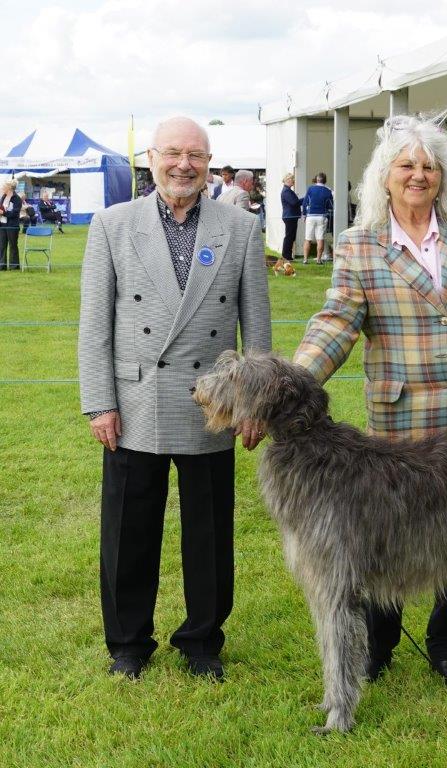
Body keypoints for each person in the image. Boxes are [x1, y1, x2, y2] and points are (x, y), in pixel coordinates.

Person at [293, 112, 447, 696]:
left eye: (429, 166)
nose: (418, 175)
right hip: (403, 416)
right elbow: (337, 322)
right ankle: (379, 646)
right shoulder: (360, 245)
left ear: (443, 176)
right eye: (406, 165)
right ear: (384, 176)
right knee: (387, 533)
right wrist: (295, 380)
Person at [78, 116, 271, 681]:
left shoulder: (239, 228)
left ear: (210, 163)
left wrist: (253, 403)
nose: (184, 165)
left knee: (210, 533)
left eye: (197, 155)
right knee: (128, 528)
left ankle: (202, 641)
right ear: (153, 160)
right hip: (136, 399)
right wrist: (99, 402)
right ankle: (128, 644)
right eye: (173, 154)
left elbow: (254, 330)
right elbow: (95, 326)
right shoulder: (113, 225)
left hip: (211, 403)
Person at [302, 171, 333, 264]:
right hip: (322, 217)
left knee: (308, 238)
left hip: (310, 216)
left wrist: (304, 215)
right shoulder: (328, 191)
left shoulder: (310, 189)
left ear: (316, 180)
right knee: (320, 239)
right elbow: (330, 206)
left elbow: (304, 203)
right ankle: (319, 260)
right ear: (325, 181)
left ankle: (305, 259)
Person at [0, 180, 22, 270]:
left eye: (4, 186)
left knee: (13, 246)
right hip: (2, 224)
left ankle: (14, 266)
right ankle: (2, 265)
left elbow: (15, 213)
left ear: (9, 187)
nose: (2, 188)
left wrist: (3, 213)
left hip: (12, 225)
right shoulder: (3, 197)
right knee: (2, 246)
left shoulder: (17, 198)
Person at [280, 173, 302, 261]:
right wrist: (305, 199)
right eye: (292, 179)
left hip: (291, 216)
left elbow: (295, 202)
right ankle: (286, 256)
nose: (293, 181)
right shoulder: (286, 191)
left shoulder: (288, 190)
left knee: (291, 236)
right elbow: (294, 203)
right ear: (288, 180)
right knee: (289, 237)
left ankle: (288, 256)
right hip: (290, 216)